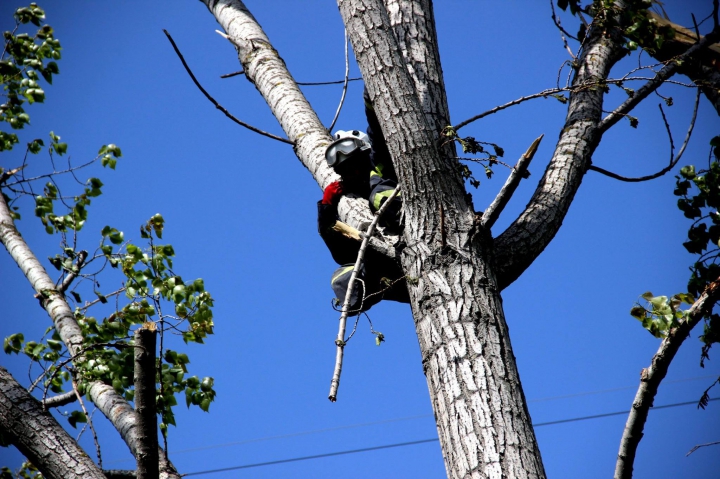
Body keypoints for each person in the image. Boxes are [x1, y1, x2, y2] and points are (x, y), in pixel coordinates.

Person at [317, 95, 408, 312]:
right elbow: (340, 253)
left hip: (411, 231)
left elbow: (377, 132)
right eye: (344, 171)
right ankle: (361, 297)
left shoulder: (382, 168)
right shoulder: (348, 201)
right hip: (394, 274)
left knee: (378, 193)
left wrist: (370, 99)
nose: (351, 174)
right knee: (339, 276)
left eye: (355, 165)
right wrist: (327, 205)